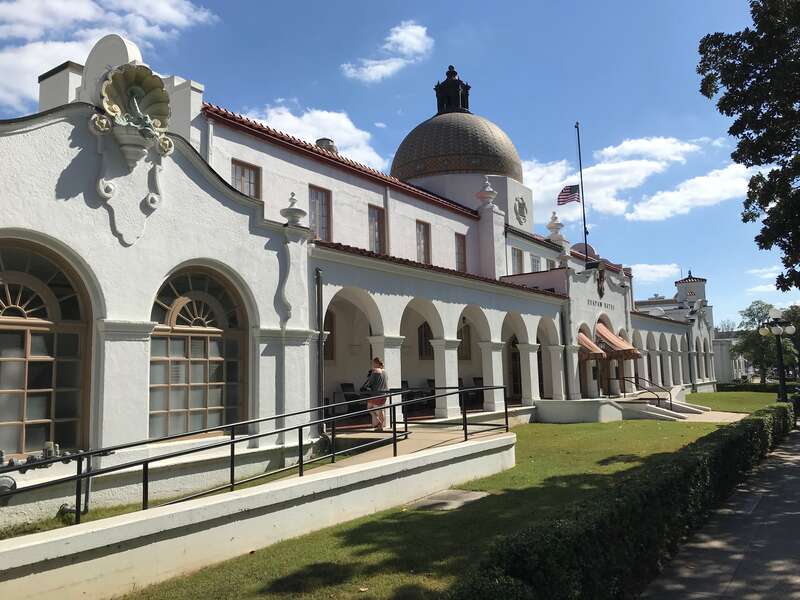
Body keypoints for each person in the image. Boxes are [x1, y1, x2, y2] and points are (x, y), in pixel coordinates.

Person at [360, 357, 388, 431]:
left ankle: (379, 423)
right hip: (384, 393)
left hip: (375, 393)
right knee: (381, 410)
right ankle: (380, 425)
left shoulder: (375, 371)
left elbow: (370, 382)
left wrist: (364, 387)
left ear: (376, 363)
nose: (373, 364)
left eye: (373, 363)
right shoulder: (385, 372)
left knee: (369, 408)